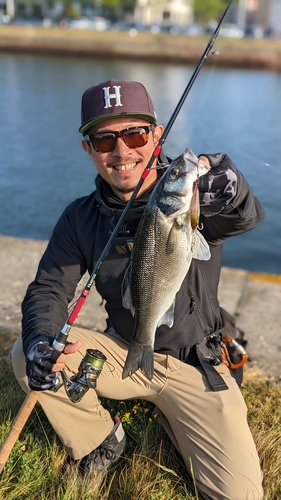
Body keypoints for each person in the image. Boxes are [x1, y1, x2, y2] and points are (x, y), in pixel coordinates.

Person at [12, 80, 264, 500]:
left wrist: (233, 190)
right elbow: (49, 290)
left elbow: (243, 218)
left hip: (197, 363)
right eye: (104, 139)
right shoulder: (79, 218)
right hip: (125, 346)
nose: (122, 151)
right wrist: (41, 338)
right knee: (27, 351)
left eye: (135, 134)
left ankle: (182, 412)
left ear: (157, 135)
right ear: (88, 149)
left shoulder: (193, 197)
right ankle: (99, 440)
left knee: (239, 495)